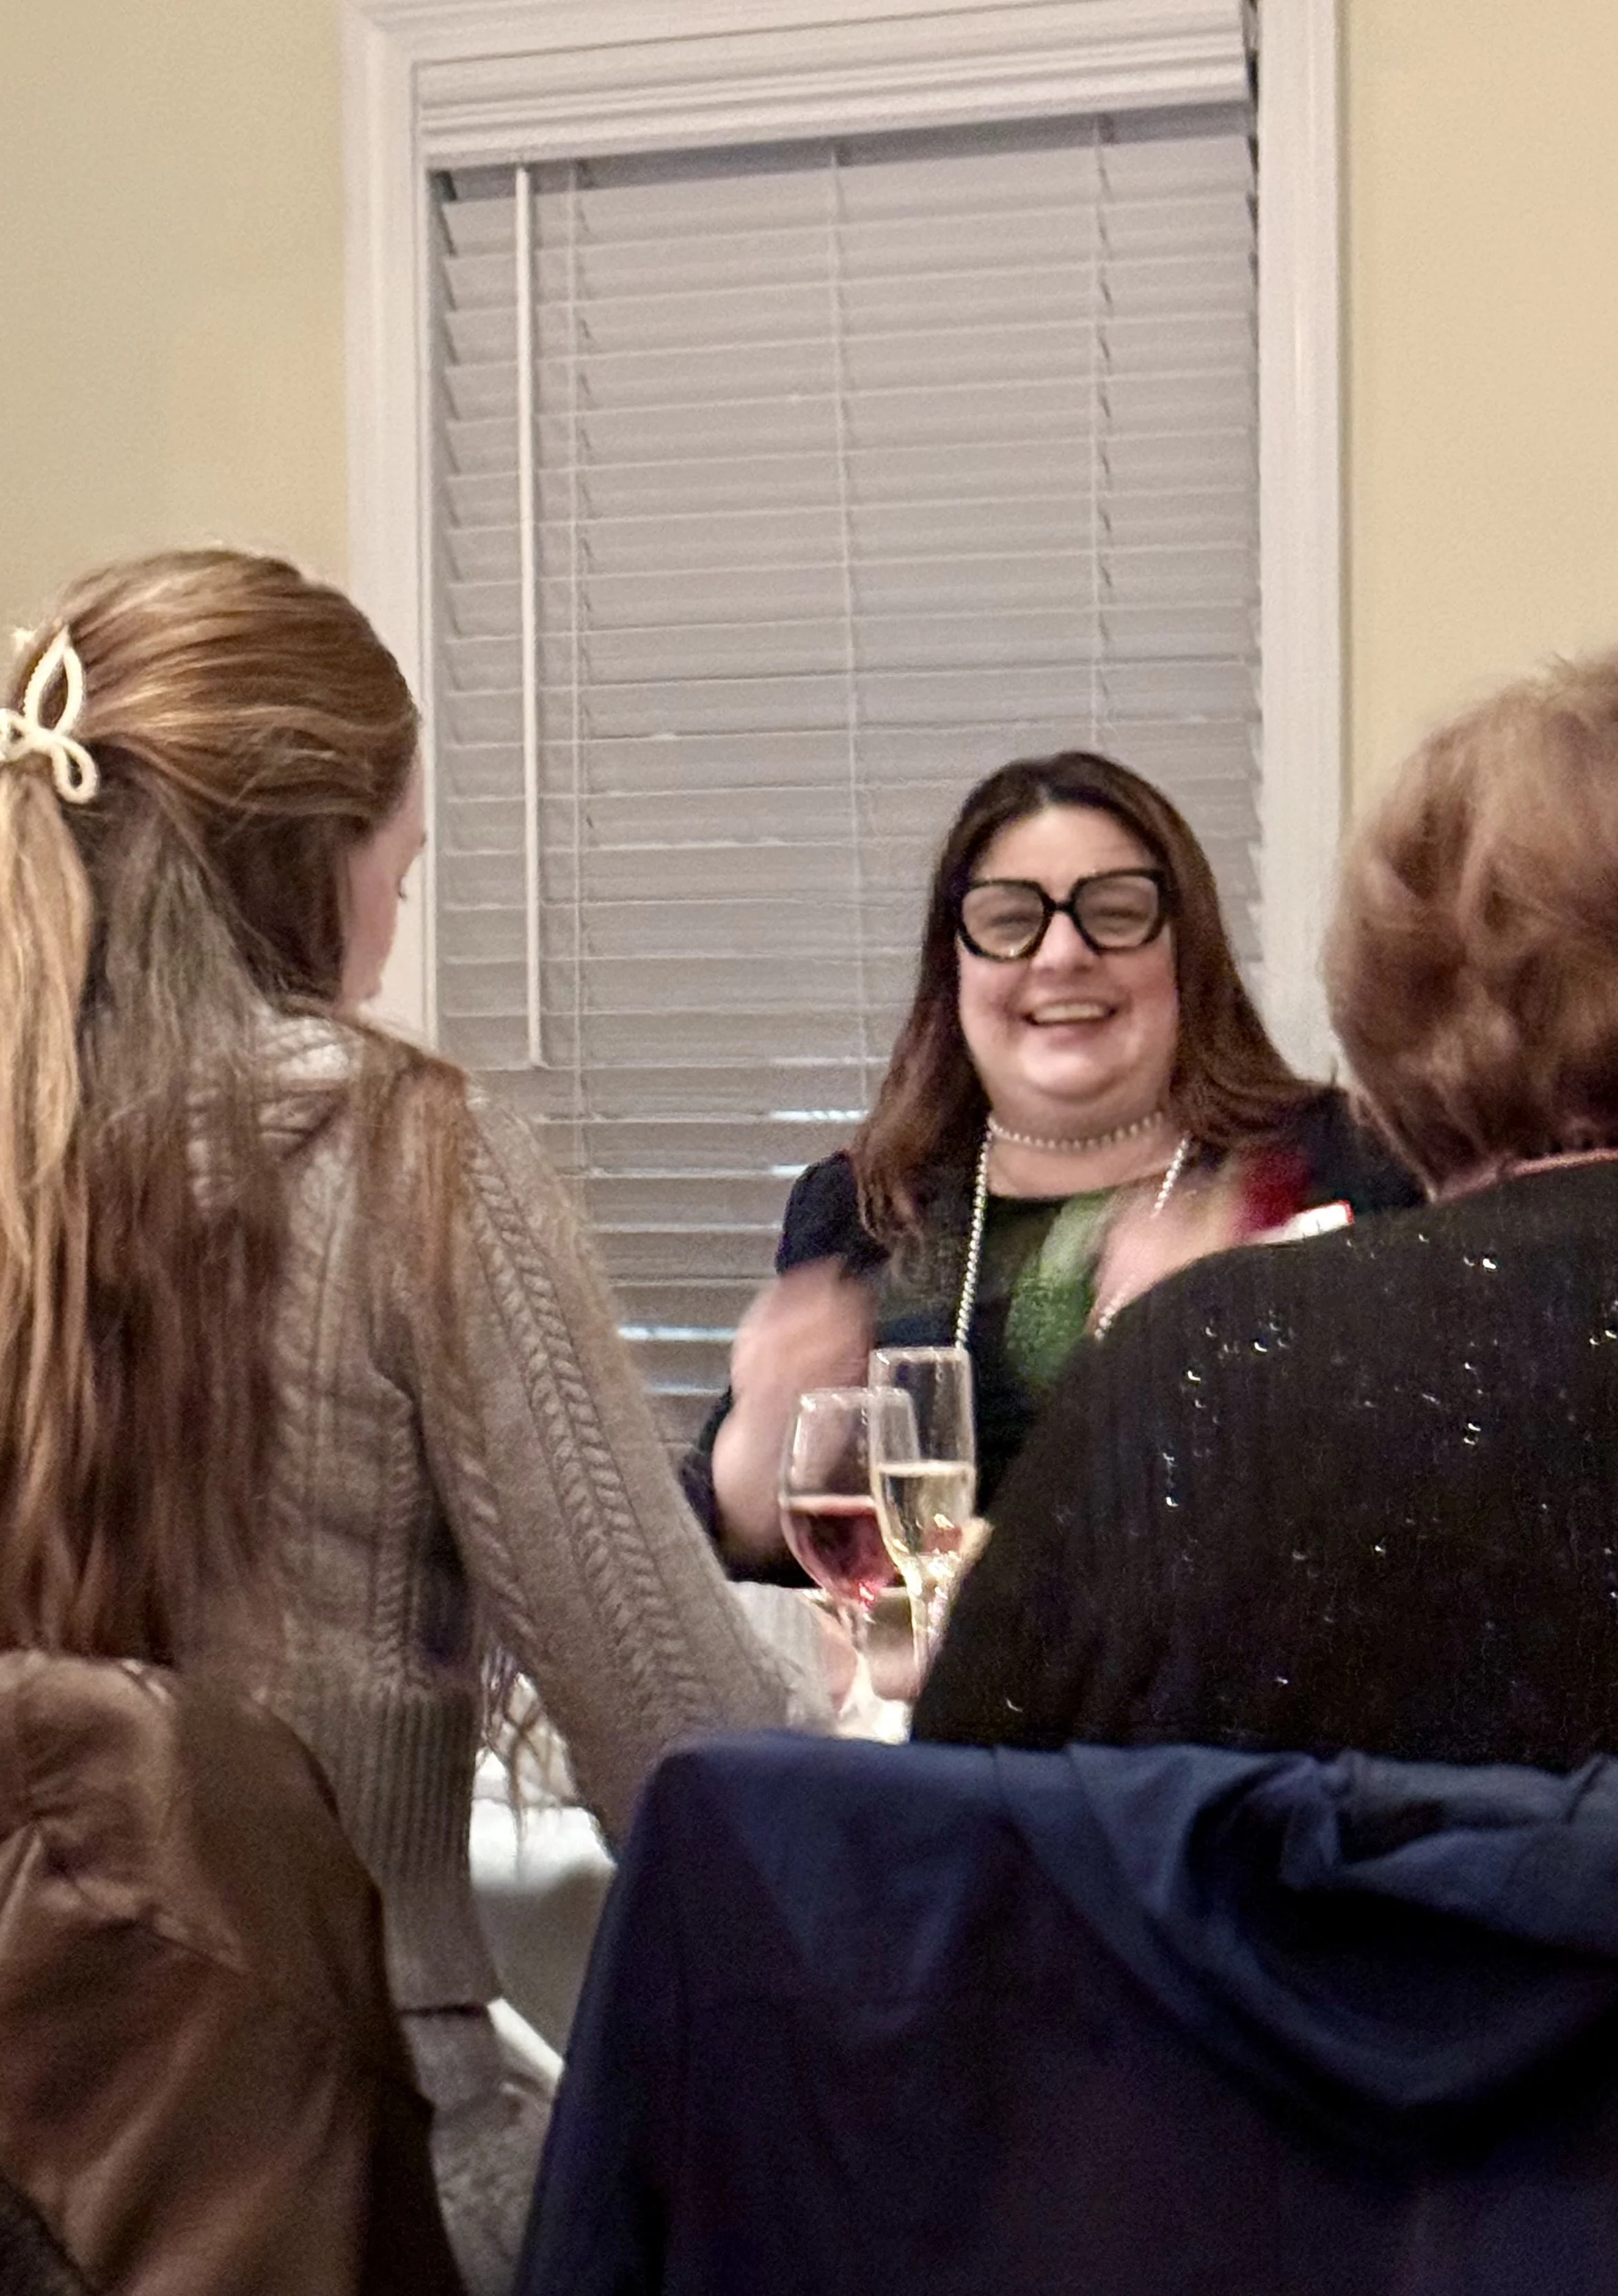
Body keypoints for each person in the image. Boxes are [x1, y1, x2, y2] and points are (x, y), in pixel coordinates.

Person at [0, 551, 823, 2293]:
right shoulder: (406, 1159)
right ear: (320, 861)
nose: (392, 922)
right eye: (403, 865)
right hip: (339, 2181)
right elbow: (693, 1770)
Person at [914, 643, 1618, 1785]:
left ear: (1397, 1001)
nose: (1062, 953)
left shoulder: (1197, 1367)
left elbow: (962, 1834)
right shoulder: (1187, 1351)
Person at [685, 750, 1420, 1569]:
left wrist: (1235, 1351)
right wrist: (765, 1442)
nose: (1062, 953)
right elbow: (735, 1552)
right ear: (953, 966)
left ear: (1186, 952)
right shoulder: (858, 1208)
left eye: (1115, 912)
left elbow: (1420, 1498)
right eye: (1009, 921)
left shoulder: (1344, 1164)